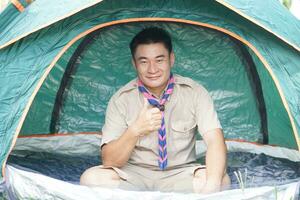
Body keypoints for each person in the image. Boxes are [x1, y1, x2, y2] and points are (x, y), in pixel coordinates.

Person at [80, 27, 230, 194]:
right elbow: (109, 160)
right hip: (134, 174)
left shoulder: (194, 92)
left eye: (159, 60)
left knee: (221, 180)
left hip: (180, 174)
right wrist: (135, 130)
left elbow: (215, 141)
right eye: (144, 61)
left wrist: (211, 189)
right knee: (91, 178)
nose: (152, 69)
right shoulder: (121, 99)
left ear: (171, 59)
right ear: (134, 63)